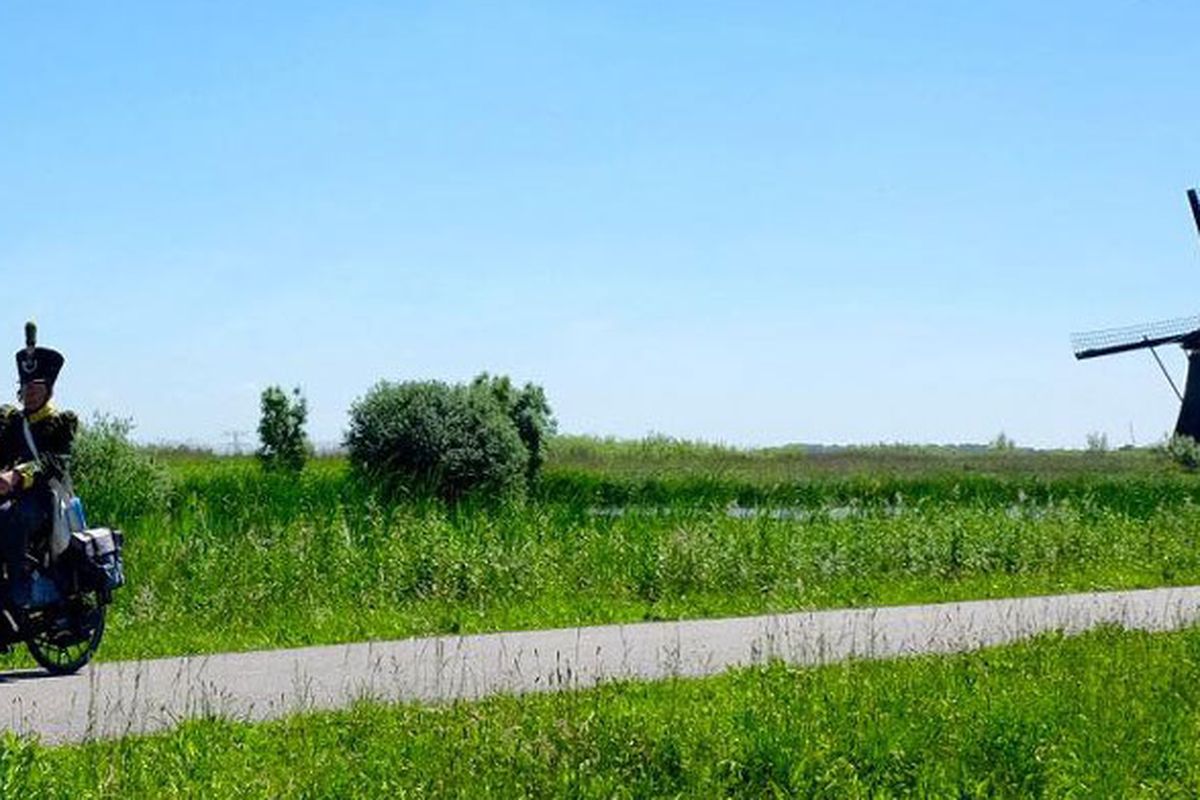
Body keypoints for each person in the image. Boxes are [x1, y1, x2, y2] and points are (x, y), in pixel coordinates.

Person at [0, 322, 77, 612]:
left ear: (48, 389)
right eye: (25, 386)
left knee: (9, 517)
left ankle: (20, 585)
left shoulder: (59, 423)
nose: (29, 392)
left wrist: (19, 475)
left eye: (35, 387)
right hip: (14, 495)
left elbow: (55, 463)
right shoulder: (12, 423)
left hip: (45, 500)